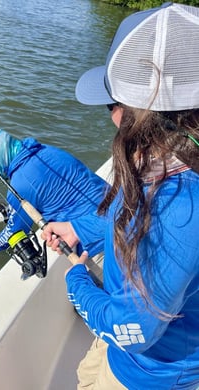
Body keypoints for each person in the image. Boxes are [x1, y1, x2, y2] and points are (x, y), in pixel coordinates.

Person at [41, 3, 199, 389]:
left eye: (114, 104)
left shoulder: (180, 206)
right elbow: (131, 207)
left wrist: (78, 282)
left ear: (144, 115)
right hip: (121, 353)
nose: (110, 116)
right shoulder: (167, 160)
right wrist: (79, 227)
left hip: (149, 376)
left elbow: (134, 330)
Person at [0, 128, 108, 252]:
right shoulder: (47, 150)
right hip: (118, 210)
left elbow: (13, 233)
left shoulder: (19, 186)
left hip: (96, 240)